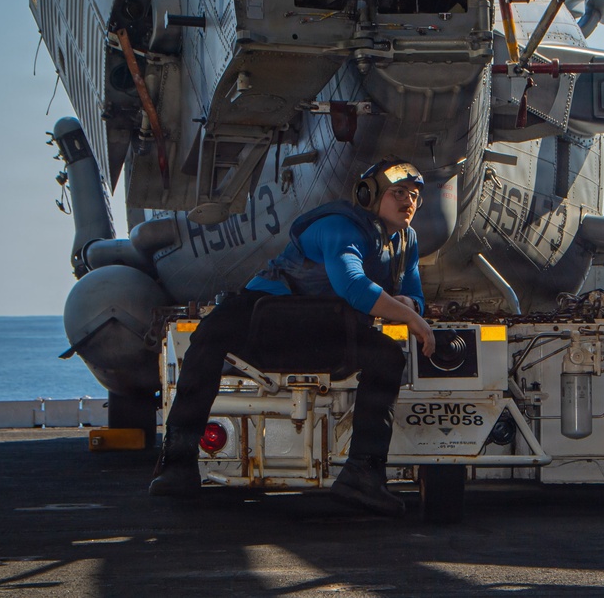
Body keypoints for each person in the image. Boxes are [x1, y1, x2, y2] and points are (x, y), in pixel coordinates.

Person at [149, 158, 436, 515]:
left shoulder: (405, 241)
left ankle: (364, 473)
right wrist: (412, 318)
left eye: (414, 196)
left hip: (326, 326)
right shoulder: (339, 227)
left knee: (388, 357)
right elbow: (353, 286)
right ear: (369, 195)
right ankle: (177, 463)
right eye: (398, 193)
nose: (408, 202)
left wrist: (410, 304)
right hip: (267, 314)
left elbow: (415, 295)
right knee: (209, 335)